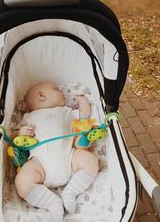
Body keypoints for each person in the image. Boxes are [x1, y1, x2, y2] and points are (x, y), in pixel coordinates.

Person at [13, 82, 99, 221]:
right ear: (41, 95)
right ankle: (52, 202)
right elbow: (14, 138)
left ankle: (70, 192)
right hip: (40, 164)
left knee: (91, 160)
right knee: (22, 181)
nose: (62, 93)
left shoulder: (66, 111)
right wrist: (21, 132)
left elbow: (84, 118)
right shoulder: (29, 117)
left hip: (70, 158)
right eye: (57, 90)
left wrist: (84, 102)